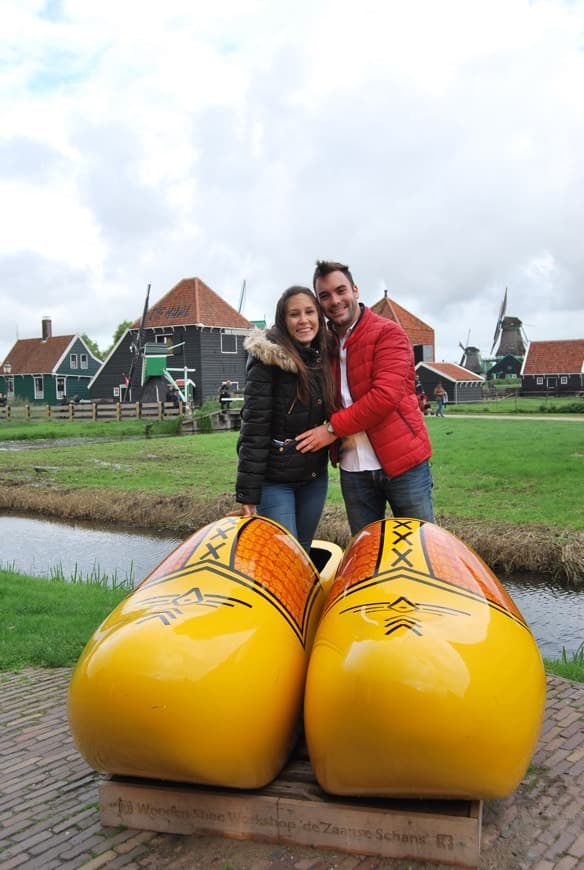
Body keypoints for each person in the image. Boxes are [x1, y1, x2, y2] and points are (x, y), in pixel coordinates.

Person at [295, 260, 435, 535]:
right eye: (325, 296)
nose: (335, 301)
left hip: (402, 463)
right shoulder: (322, 344)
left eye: (340, 290)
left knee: (422, 550)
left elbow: (384, 397)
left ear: (355, 290)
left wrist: (331, 429)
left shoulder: (388, 333)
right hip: (354, 468)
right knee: (366, 555)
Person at [235, 285, 335, 553]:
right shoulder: (267, 361)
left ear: (319, 316)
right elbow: (254, 428)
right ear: (283, 320)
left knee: (302, 551)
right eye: (294, 314)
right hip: (276, 479)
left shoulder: (324, 357)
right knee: (284, 555)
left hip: (313, 476)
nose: (303, 320)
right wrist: (247, 494)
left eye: (309, 312)